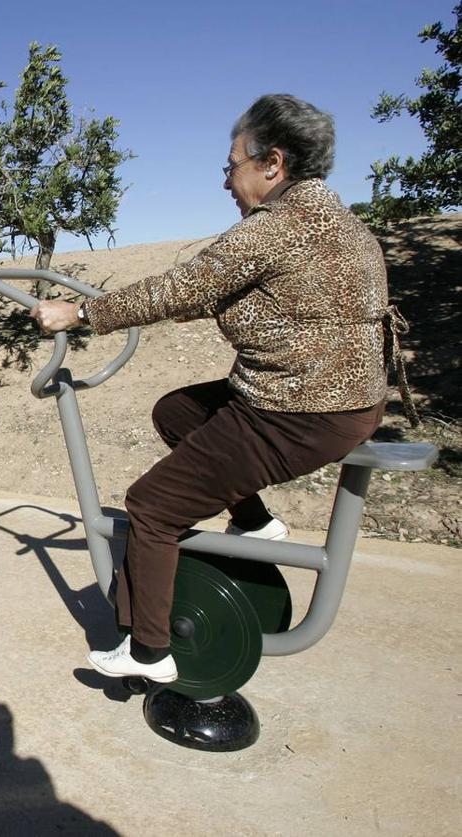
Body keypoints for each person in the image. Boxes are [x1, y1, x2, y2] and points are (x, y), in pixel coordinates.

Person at [32, 94, 401, 683]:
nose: (226, 180)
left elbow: (184, 286)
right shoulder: (341, 222)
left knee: (151, 507)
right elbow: (260, 300)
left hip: (296, 411)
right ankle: (254, 523)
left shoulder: (273, 230)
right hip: (343, 401)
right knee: (178, 413)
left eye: (232, 165)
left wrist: (81, 314)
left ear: (272, 164)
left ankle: (149, 651)